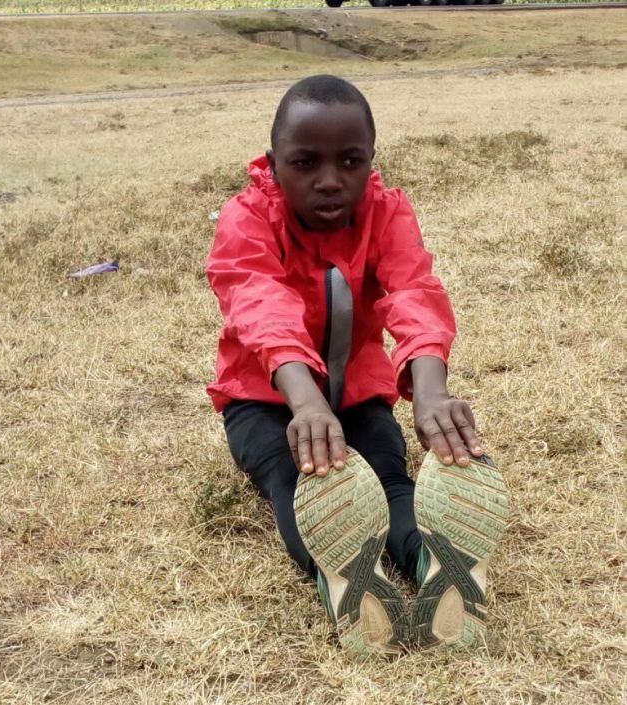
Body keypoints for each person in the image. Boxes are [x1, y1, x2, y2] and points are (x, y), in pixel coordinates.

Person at [206, 75, 509, 659]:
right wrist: (307, 402)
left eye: (350, 161)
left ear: (371, 160)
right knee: (305, 486)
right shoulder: (246, 218)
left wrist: (429, 391)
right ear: (273, 163)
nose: (329, 180)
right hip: (266, 405)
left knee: (391, 481)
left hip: (359, 396)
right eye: (305, 162)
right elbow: (259, 304)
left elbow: (414, 292)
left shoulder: (387, 212)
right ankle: (343, 580)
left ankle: (436, 568)